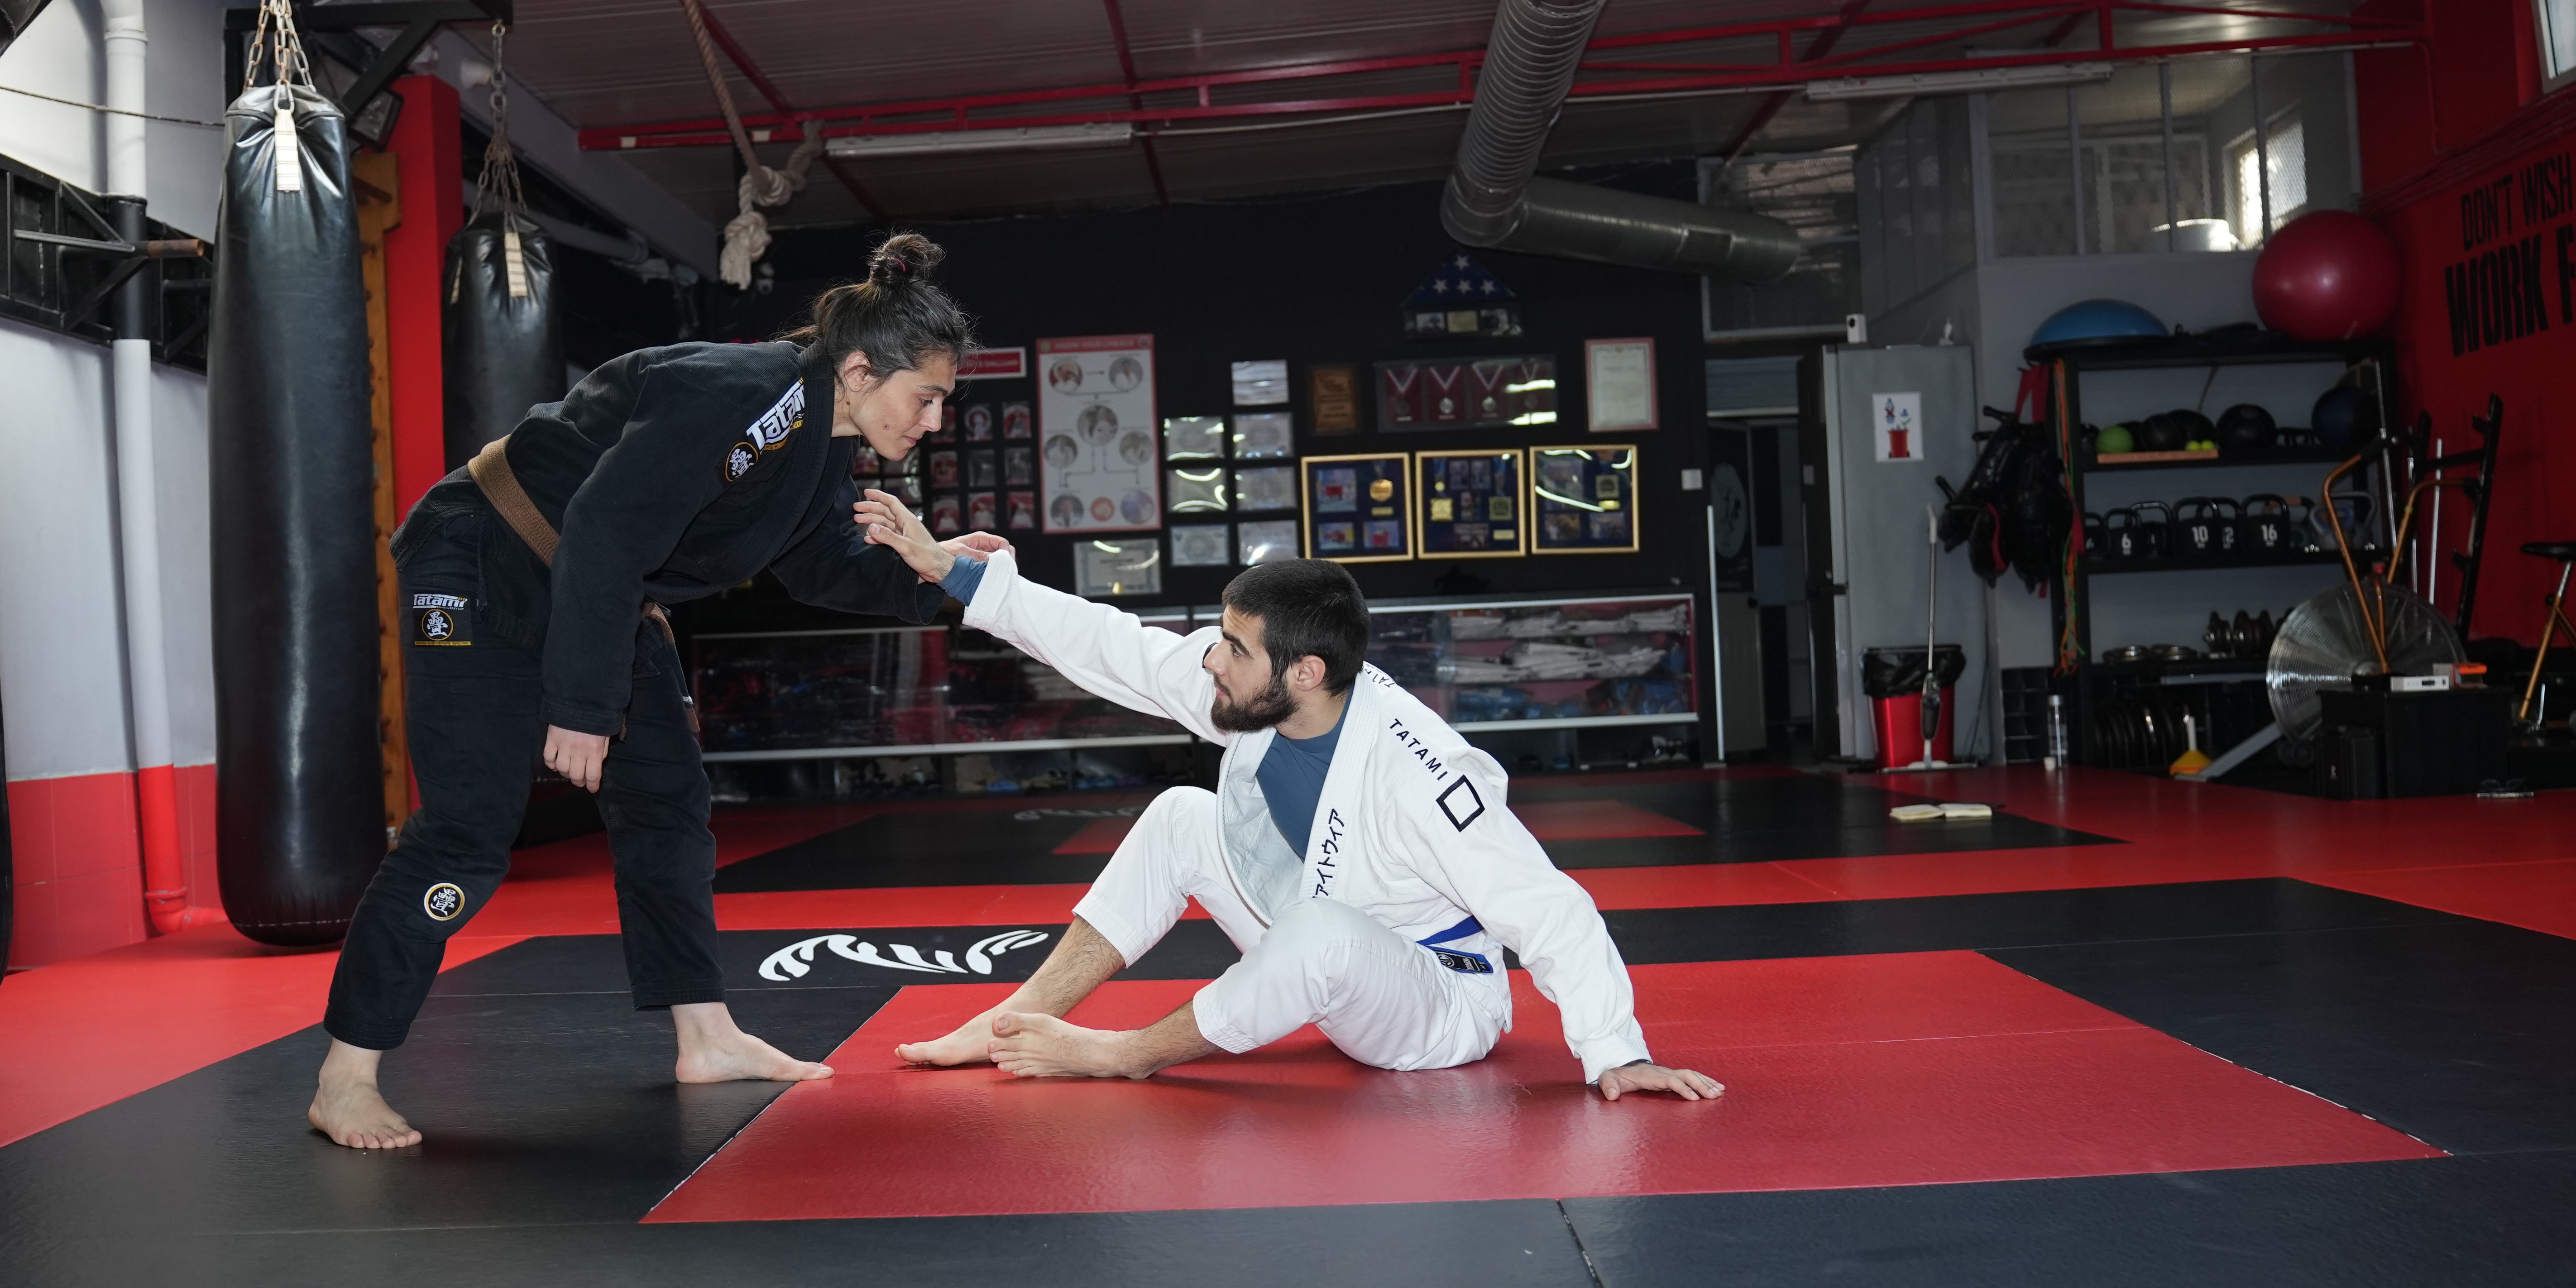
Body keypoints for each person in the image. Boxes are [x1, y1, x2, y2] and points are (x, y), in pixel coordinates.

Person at [309, 235, 1010, 1149]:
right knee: (468, 825)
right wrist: (584, 706)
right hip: (483, 559)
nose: (932, 420)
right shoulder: (741, 392)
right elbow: (606, 523)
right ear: (862, 369)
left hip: (602, 586)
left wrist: (940, 574)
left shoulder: (815, 446)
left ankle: (706, 1035)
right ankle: (346, 1074)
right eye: (926, 396)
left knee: (670, 806)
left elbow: (820, 567)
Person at [848, 496, 1724, 1101]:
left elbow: (1550, 908)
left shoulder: (1424, 771)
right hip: (1318, 929)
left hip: (1436, 1002)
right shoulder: (1264, 693)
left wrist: (1619, 1053)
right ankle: (1017, 1016)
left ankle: (1125, 1057)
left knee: (1323, 934)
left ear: (1305, 671)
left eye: (1232, 647)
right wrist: (951, 573)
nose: (1210, 660)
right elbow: (1115, 646)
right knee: (1179, 817)